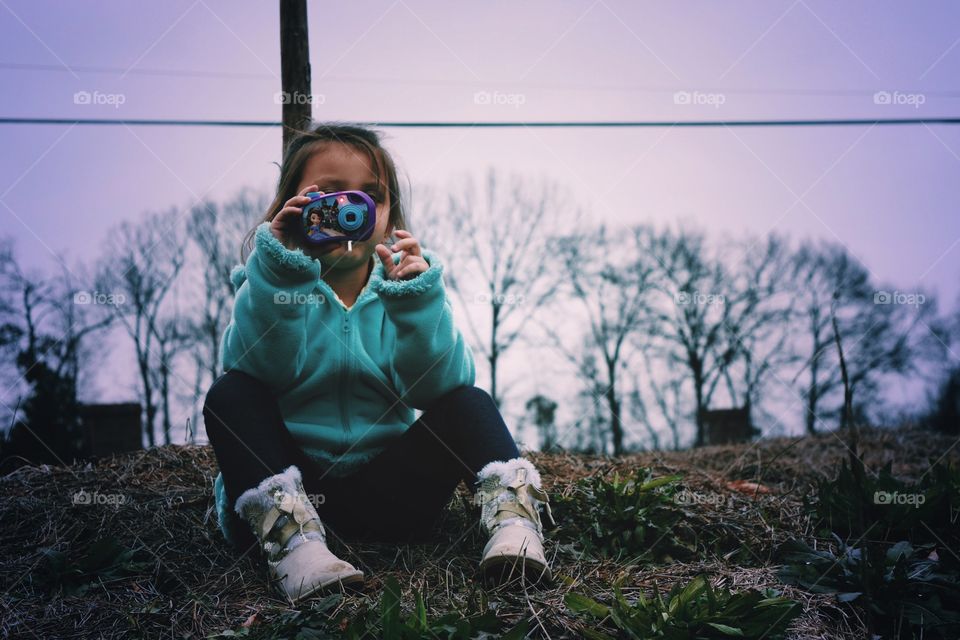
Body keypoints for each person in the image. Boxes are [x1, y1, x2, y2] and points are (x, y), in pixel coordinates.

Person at [203, 122, 554, 604]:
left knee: (469, 399)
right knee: (230, 394)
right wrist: (282, 271)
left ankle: (515, 525)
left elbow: (437, 390)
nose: (351, 211)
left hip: (392, 498)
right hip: (292, 493)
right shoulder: (270, 285)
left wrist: (417, 304)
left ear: (390, 218)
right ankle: (294, 550)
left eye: (371, 196)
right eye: (328, 195)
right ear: (291, 208)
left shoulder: (404, 295)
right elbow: (258, 369)